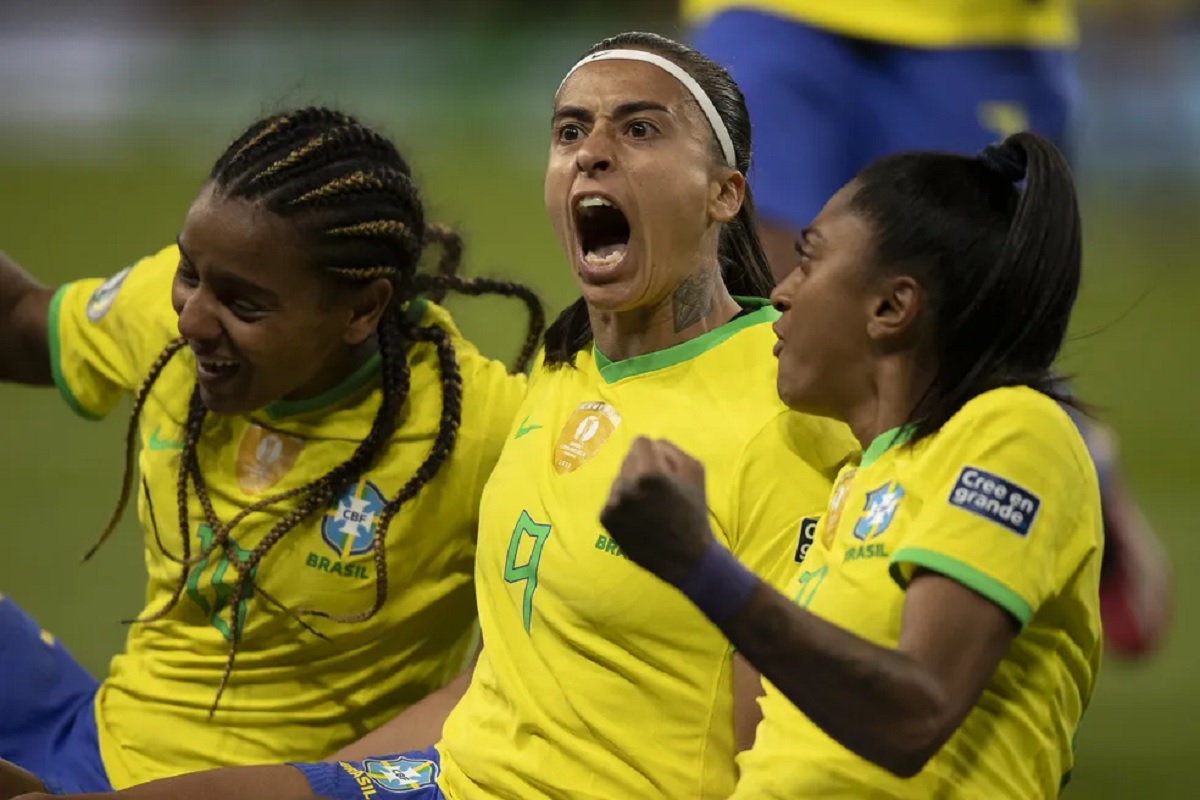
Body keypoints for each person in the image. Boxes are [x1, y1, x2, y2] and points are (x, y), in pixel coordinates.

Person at [11, 30, 860, 800]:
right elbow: (501, 683)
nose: (592, 153)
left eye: (638, 131)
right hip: (451, 775)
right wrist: (330, 783)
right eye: (570, 132)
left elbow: (780, 743)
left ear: (724, 193)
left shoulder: (782, 404)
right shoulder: (563, 381)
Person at [0, 107, 545, 794]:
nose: (193, 318)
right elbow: (19, 322)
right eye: (189, 273)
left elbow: (528, 675)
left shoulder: (486, 432)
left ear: (362, 309)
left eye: (244, 306)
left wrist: (330, 785)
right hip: (89, 735)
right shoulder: (177, 313)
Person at [601, 132, 1102, 798]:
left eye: (809, 260)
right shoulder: (858, 480)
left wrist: (700, 566)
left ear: (892, 307)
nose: (780, 292)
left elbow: (913, 714)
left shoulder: (1016, 430)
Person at [683, 0, 1172, 660]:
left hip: (972, 30)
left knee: (964, 320)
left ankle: (1078, 457)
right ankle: (804, 569)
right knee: (772, 295)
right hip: (772, 14)